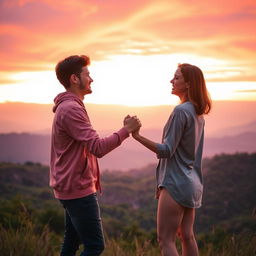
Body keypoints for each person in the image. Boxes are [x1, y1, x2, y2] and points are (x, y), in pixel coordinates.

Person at [50, 55, 141, 256]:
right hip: (77, 188)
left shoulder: (70, 106)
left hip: (70, 184)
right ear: (75, 79)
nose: (91, 79)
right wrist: (126, 130)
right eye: (87, 74)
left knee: (72, 242)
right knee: (94, 246)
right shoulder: (71, 109)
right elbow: (97, 148)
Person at [132, 63, 211, 256]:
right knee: (187, 236)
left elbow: (166, 150)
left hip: (175, 183)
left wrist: (137, 135)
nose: (171, 81)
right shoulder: (197, 114)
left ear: (189, 84)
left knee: (165, 240)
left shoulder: (181, 111)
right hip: (192, 184)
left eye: (176, 77)